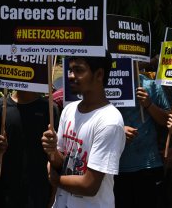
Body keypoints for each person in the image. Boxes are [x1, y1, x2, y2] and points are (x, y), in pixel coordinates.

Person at [42, 52, 125, 208]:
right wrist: (52, 151)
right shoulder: (69, 110)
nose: (71, 76)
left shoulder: (109, 121)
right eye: (70, 70)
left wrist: (55, 180)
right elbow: (61, 163)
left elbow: (90, 185)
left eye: (79, 70)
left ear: (99, 74)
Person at [0, 90, 60, 208]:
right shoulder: (1, 106)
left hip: (39, 196)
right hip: (5, 194)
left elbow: (57, 161)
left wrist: (53, 196)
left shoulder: (50, 109)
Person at [114, 65, 170, 208]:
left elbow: (167, 120)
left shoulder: (150, 85)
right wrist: (119, 131)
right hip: (116, 167)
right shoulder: (105, 85)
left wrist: (149, 104)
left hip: (148, 165)